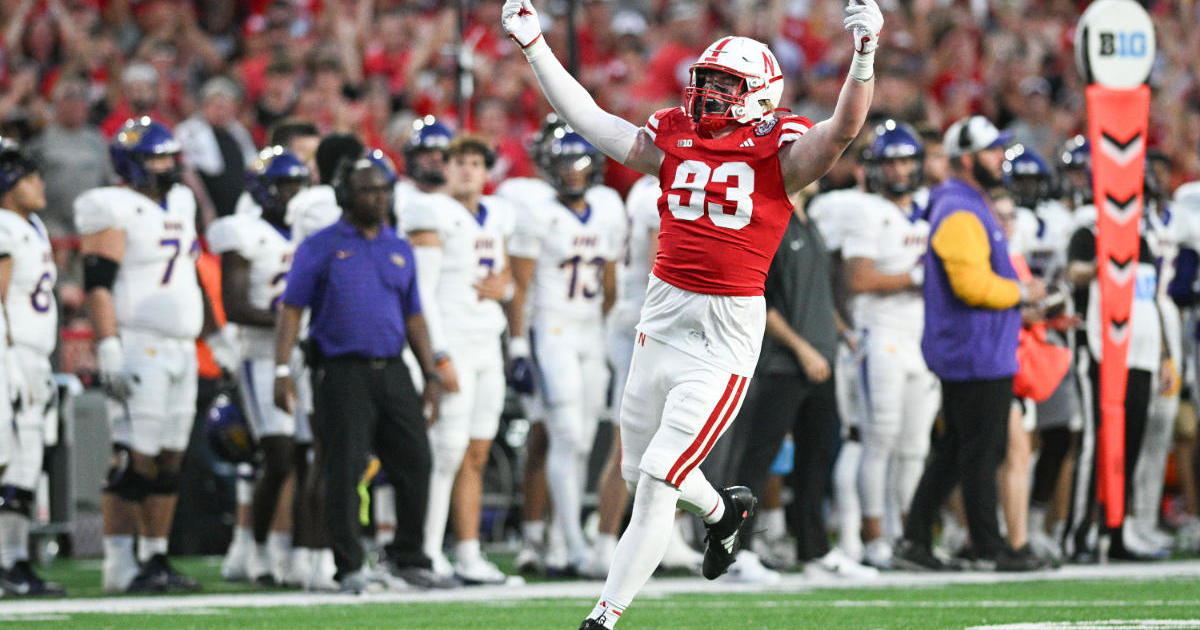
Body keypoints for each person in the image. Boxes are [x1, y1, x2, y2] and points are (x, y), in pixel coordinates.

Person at [502, 0, 881, 625]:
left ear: (760, 95)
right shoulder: (677, 137)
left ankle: (603, 616)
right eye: (706, 80)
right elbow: (593, 121)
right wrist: (535, 45)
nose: (709, 93)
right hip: (660, 319)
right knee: (636, 470)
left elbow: (841, 129)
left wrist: (864, 56)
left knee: (657, 479)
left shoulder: (779, 153)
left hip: (722, 334)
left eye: (726, 85)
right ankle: (723, 512)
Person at [272, 153, 454, 593]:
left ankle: (409, 557)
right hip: (341, 371)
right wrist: (281, 369)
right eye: (368, 190)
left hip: (393, 368)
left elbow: (414, 317)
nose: (379, 197)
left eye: (383, 189)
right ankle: (349, 565)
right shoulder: (320, 246)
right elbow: (292, 310)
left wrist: (430, 373)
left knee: (416, 461)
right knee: (344, 469)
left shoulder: (398, 247)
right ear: (345, 196)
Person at [891, 115, 1045, 572]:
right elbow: (970, 285)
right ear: (965, 160)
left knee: (958, 450)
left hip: (977, 345)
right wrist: (1022, 292)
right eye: (991, 150)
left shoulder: (967, 203)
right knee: (980, 451)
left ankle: (916, 539)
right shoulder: (959, 207)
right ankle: (988, 547)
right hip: (973, 348)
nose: (1000, 158)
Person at [76, 118, 206, 593]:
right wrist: (108, 345)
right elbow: (97, 285)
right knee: (135, 456)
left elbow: (188, 277)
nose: (166, 167)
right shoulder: (113, 206)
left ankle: (156, 557)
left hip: (180, 346)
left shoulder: (182, 201)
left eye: (170, 157)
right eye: (156, 158)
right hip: (138, 342)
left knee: (171, 457)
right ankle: (119, 563)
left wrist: (217, 335)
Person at [727, 185, 876, 580]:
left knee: (816, 459)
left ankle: (814, 551)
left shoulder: (810, 223)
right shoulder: (770, 221)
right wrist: (802, 349)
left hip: (820, 358)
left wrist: (840, 333)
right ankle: (733, 553)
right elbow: (762, 299)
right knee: (756, 459)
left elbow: (815, 293)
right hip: (784, 362)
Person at [506, 130, 624, 574]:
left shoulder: (608, 209)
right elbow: (519, 285)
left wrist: (610, 336)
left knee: (584, 438)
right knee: (567, 435)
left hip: (591, 331)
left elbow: (609, 284)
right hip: (552, 328)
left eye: (578, 163)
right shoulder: (537, 212)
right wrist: (518, 345)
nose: (571, 172)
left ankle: (560, 539)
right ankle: (573, 543)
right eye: (563, 164)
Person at [405, 135, 515, 584]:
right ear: (445, 168)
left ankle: (468, 553)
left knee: (477, 451)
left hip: (488, 343)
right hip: (453, 342)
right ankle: (428, 551)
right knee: (446, 450)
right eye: (459, 162)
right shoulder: (430, 210)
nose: (468, 169)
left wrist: (505, 290)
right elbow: (421, 290)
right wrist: (438, 354)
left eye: (475, 162)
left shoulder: (498, 214)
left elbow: (505, 279)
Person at [208, 147, 311, 585]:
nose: (291, 194)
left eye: (297, 185)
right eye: (283, 185)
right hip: (261, 354)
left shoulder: (310, 230)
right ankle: (258, 544)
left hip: (305, 356)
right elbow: (234, 305)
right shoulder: (244, 232)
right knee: (278, 454)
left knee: (306, 455)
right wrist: (295, 318)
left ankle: (298, 551)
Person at [843, 120, 938, 570]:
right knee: (878, 438)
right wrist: (915, 278)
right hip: (880, 334)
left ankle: (908, 535)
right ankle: (874, 538)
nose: (900, 170)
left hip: (922, 335)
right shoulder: (865, 210)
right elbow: (857, 278)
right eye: (891, 161)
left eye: (906, 160)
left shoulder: (930, 206)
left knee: (915, 445)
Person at [0, 139, 64, 595]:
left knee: (27, 466)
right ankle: (8, 562)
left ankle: (16, 561)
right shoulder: (4, 225)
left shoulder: (31, 225)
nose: (39, 184)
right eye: (29, 177)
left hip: (34, 356)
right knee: (9, 461)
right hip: (12, 354)